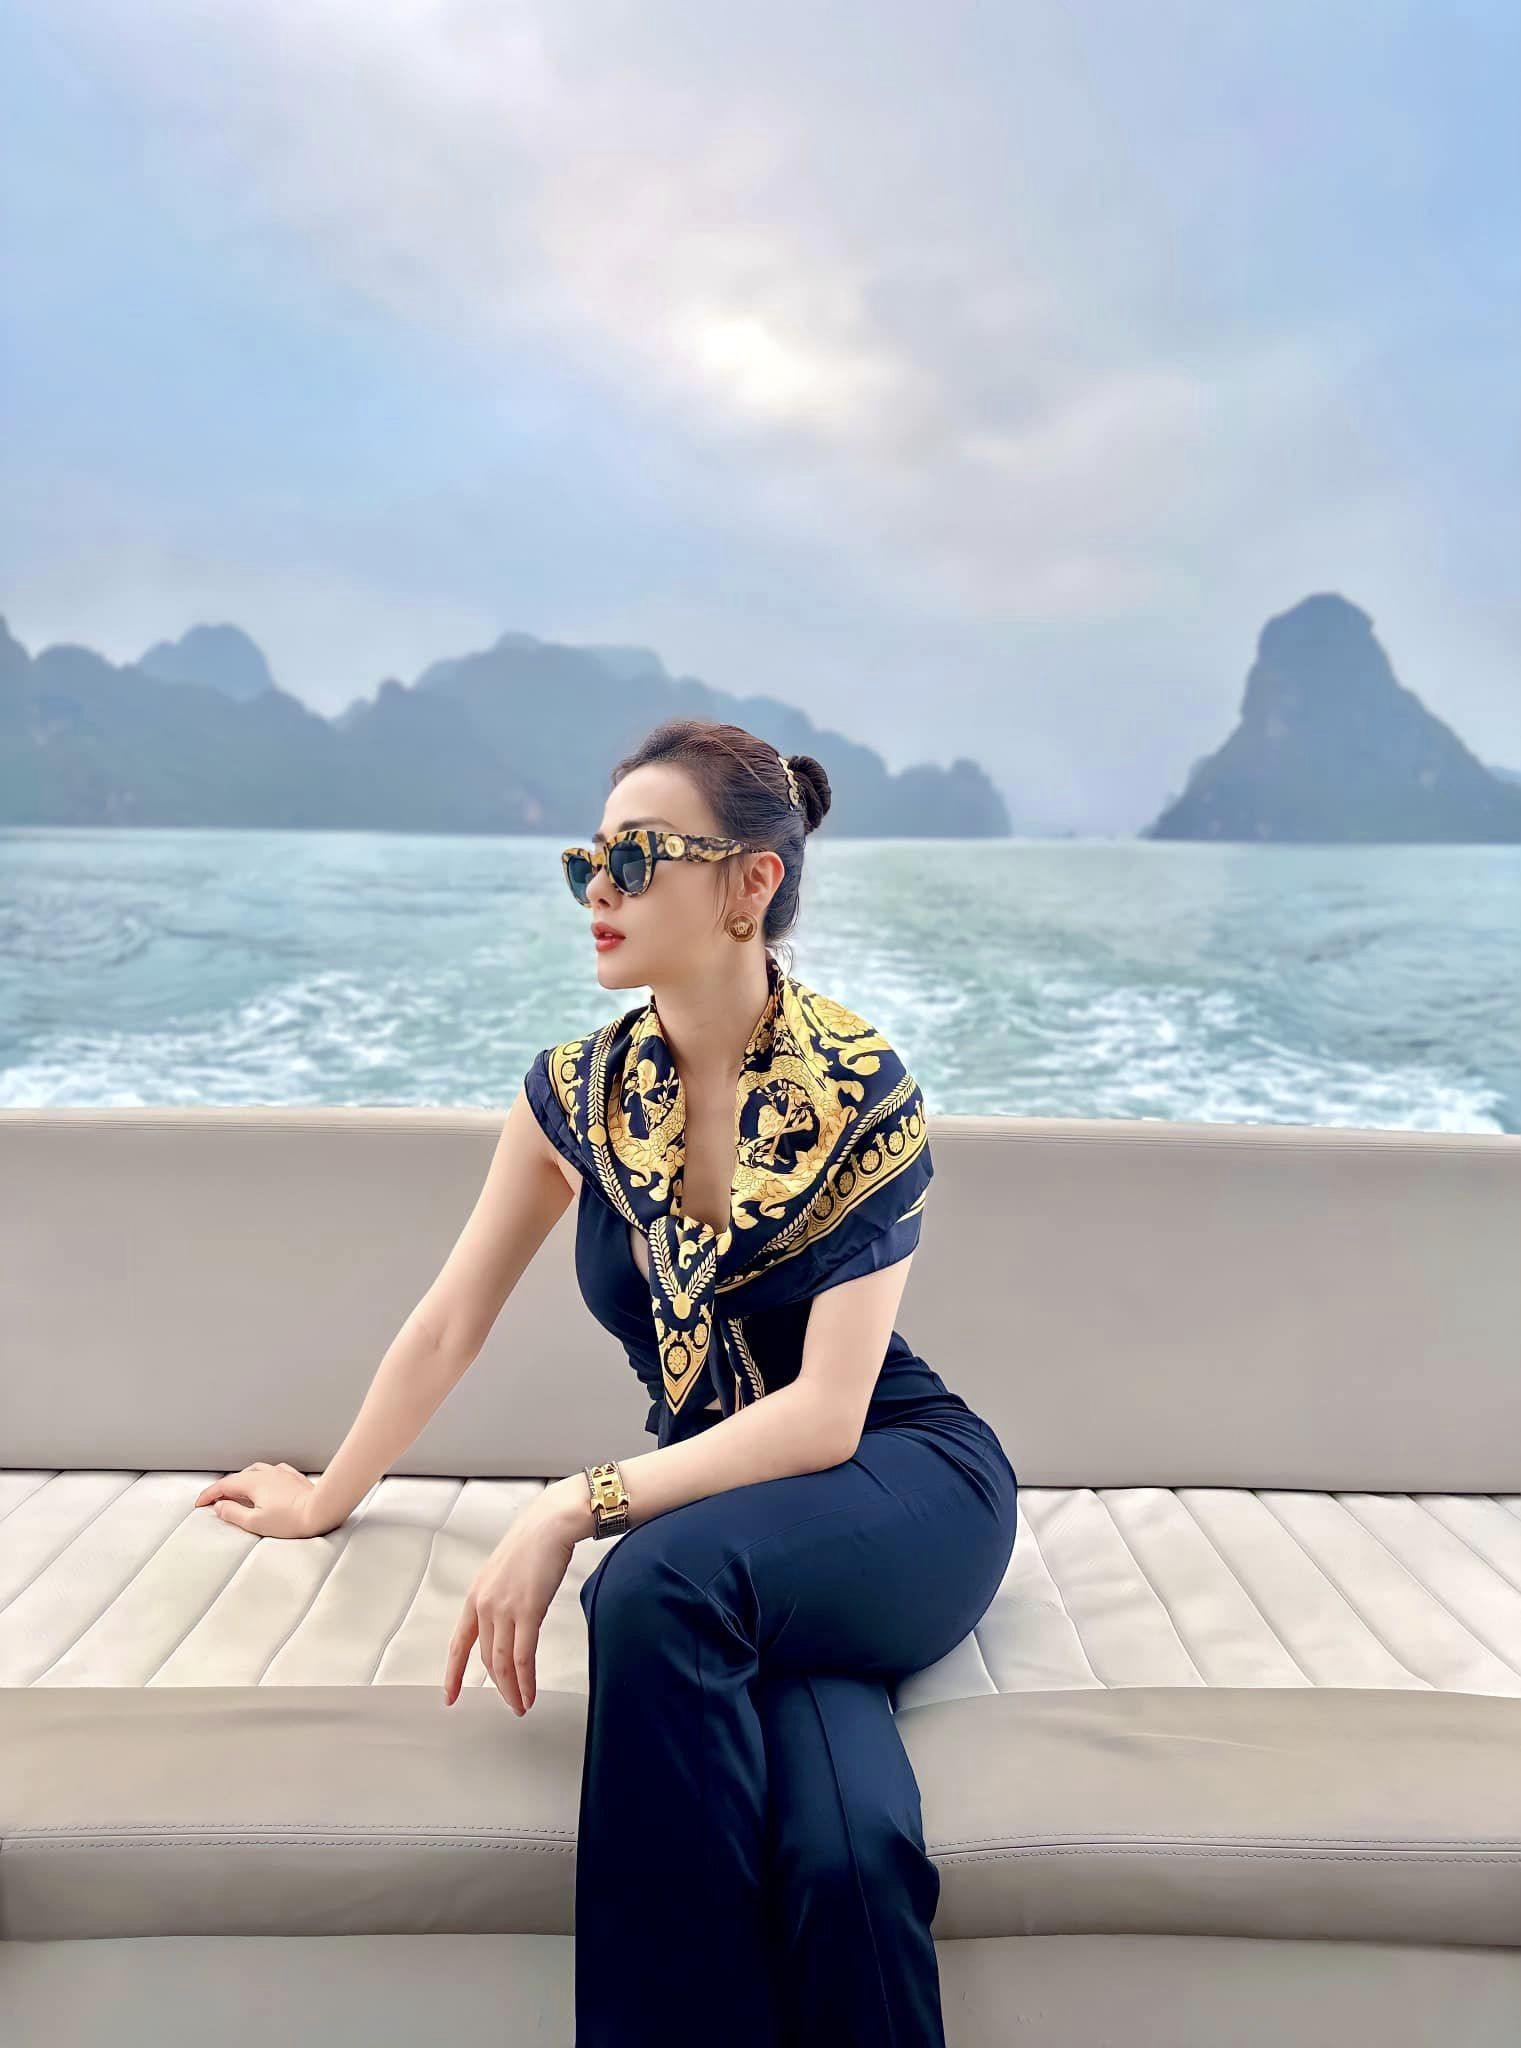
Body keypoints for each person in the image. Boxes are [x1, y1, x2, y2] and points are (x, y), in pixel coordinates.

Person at [196, 714, 1019, 2048]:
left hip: (900, 1481)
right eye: (589, 859)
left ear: (750, 883)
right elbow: (449, 1323)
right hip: (739, 1519)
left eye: (636, 858)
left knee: (650, 1583)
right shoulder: (574, 1096)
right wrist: (324, 1496)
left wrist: (572, 1503)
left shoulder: (862, 1088)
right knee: (845, 1853)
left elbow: (824, 1416)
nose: (598, 890)